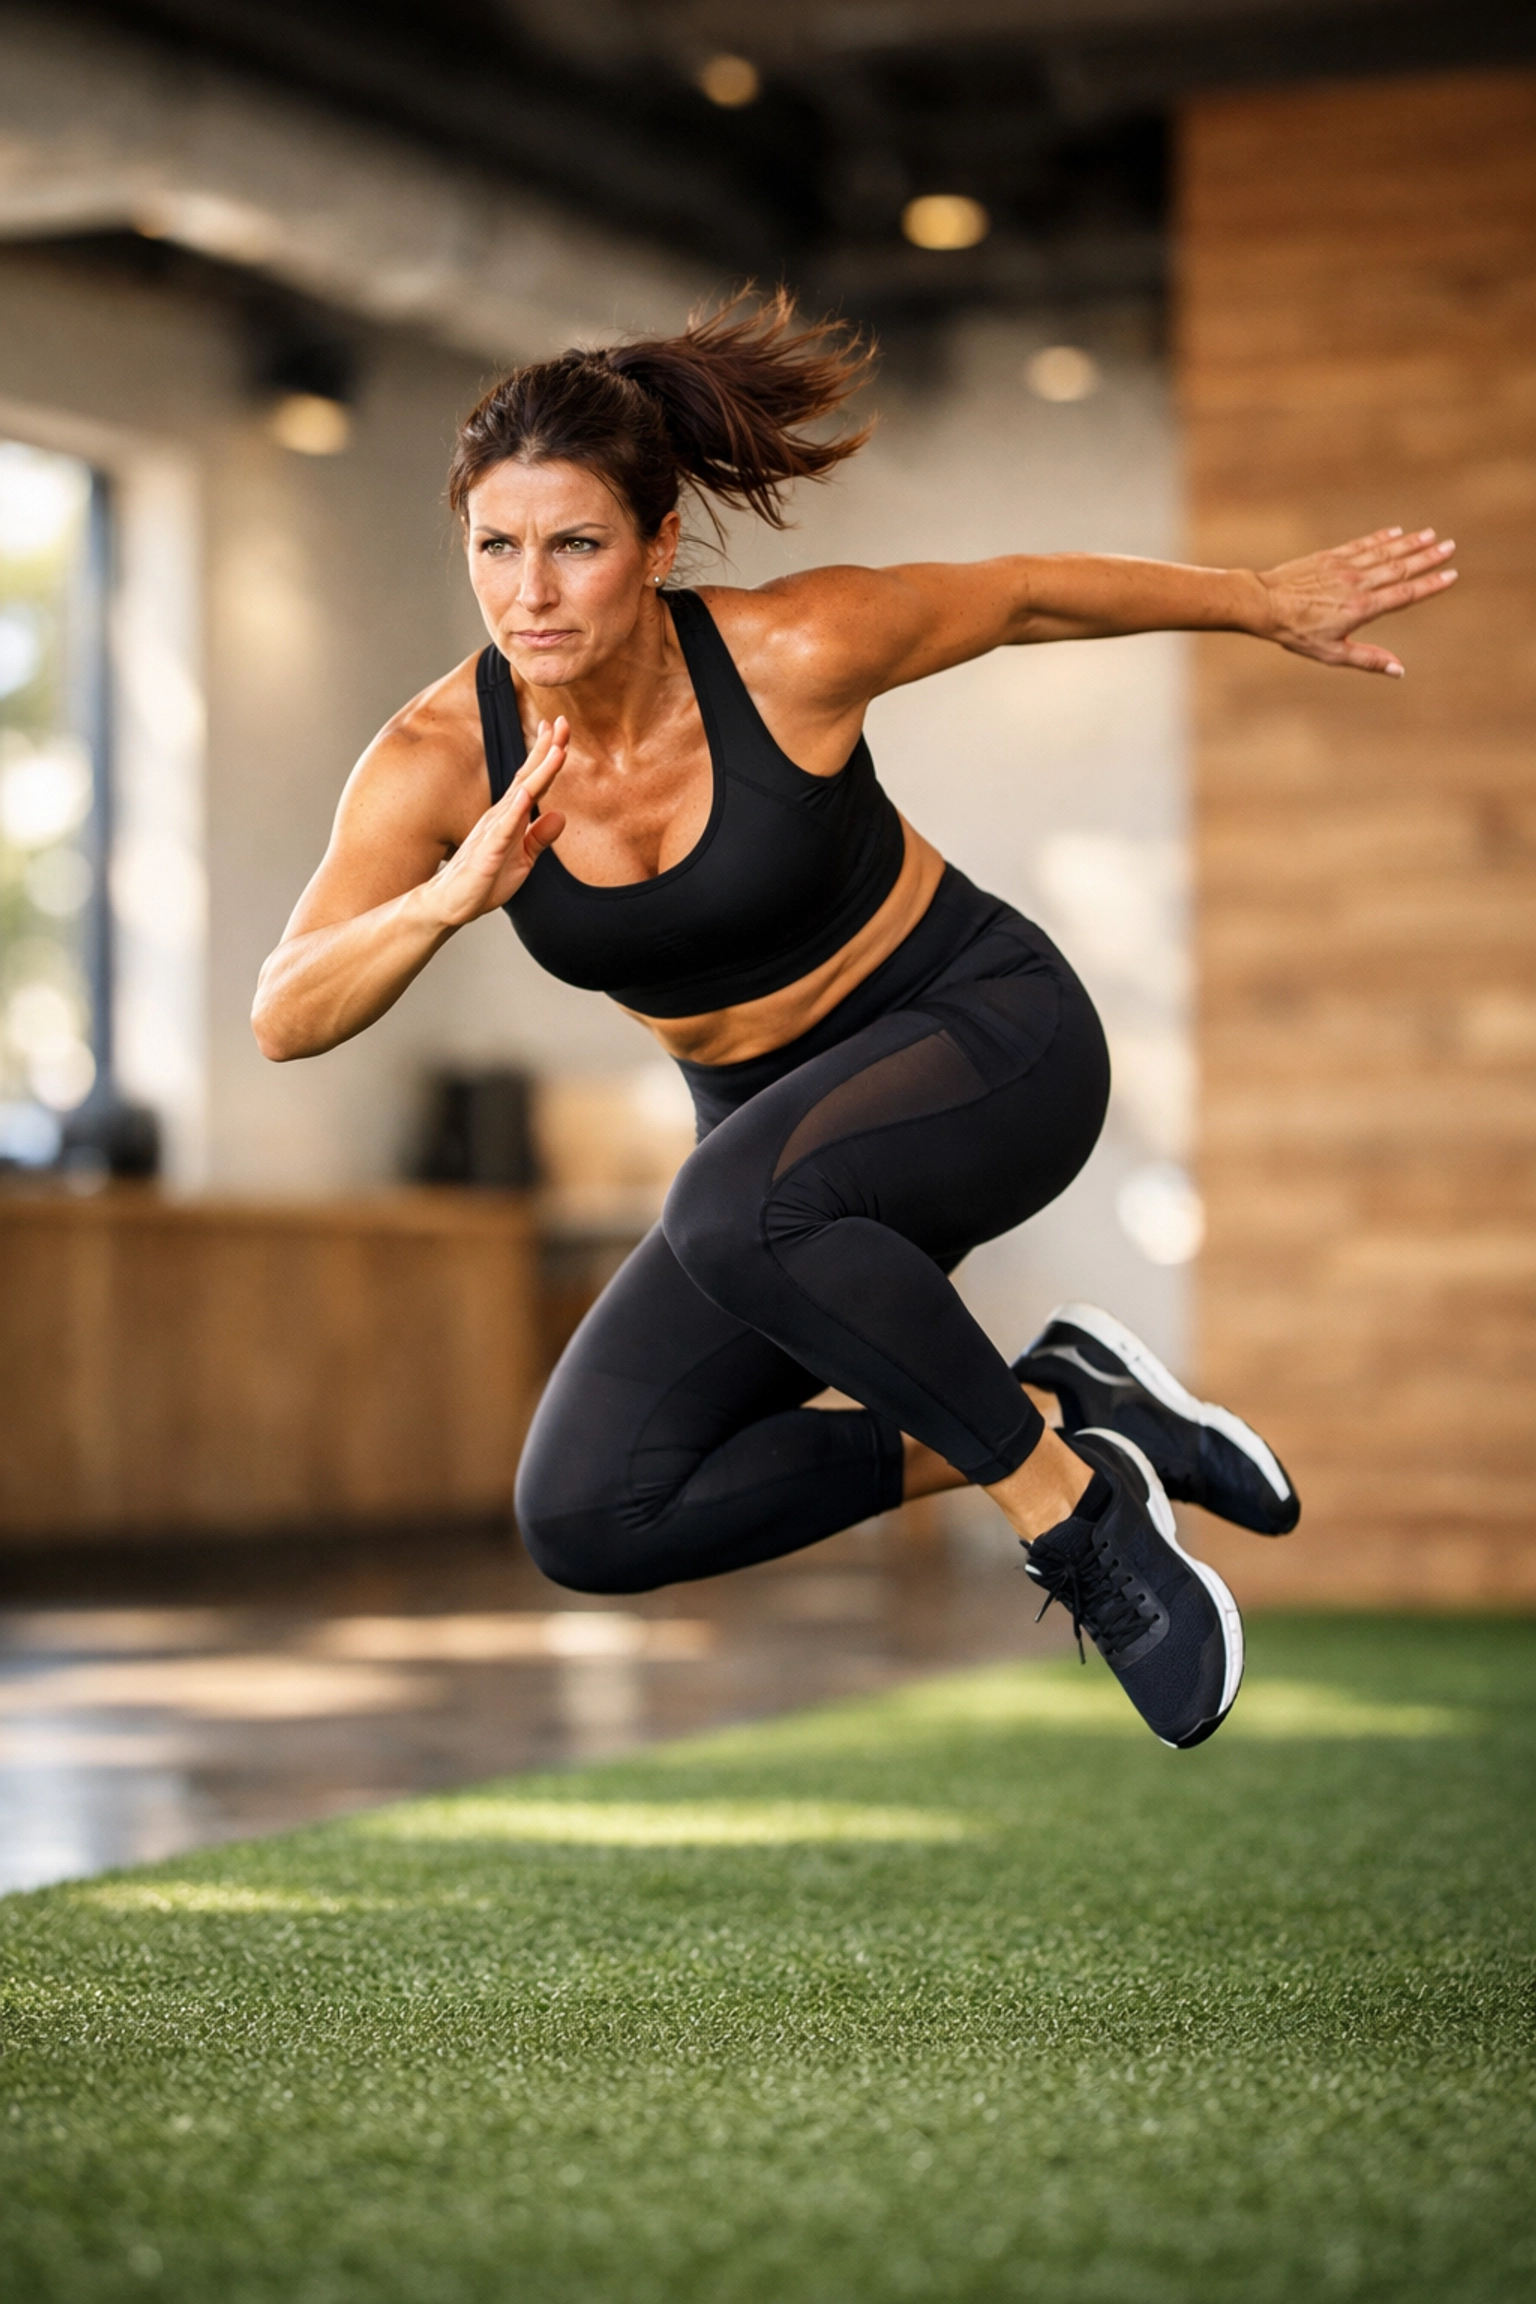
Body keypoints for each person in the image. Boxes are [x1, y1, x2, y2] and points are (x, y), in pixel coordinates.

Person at [253, 292, 1456, 1750]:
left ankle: (1070, 1526)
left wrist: (1264, 601)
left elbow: (1020, 594)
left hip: (987, 1045)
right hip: (769, 1171)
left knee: (730, 1208)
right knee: (593, 1507)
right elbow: (287, 1012)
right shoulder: (438, 760)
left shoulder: (786, 652)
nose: (532, 593)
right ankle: (1069, 1417)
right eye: (495, 549)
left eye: (574, 544)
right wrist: (443, 900)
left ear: (652, 547)